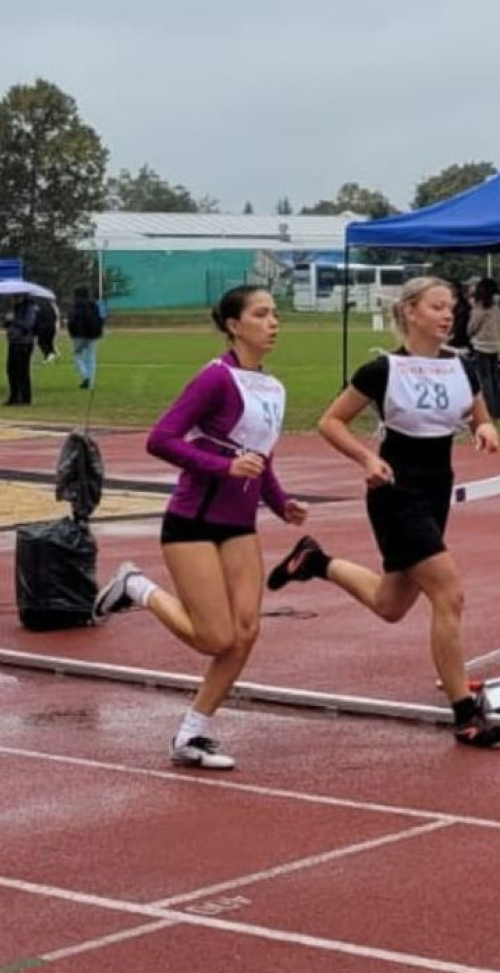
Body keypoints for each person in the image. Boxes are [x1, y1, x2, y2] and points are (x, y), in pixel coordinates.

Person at [266, 276, 500, 750]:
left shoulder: (463, 368)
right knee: (449, 592)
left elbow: (481, 416)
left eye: (451, 308)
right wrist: (366, 458)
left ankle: (315, 561)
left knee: (391, 605)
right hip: (395, 492)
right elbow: (330, 421)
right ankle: (465, 714)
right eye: (437, 307)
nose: (447, 315)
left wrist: (487, 430)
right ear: (410, 312)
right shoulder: (382, 369)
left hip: (437, 489)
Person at [93, 285, 308, 770]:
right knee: (216, 639)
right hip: (192, 522)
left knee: (246, 632)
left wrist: (280, 503)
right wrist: (222, 468)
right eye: (261, 314)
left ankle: (193, 732)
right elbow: (161, 440)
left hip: (240, 524)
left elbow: (261, 458)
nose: (273, 322)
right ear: (234, 325)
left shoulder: (272, 387)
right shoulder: (214, 379)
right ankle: (136, 586)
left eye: (275, 314)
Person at [467, 277, 500, 419]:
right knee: (494, 379)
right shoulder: (497, 307)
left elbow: (472, 327)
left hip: (481, 345)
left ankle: (488, 409)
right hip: (494, 345)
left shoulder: (481, 307)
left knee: (484, 379)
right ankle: (498, 409)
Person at [67, 286, 104, 389]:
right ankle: (91, 382)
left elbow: (72, 320)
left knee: (77, 355)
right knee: (91, 357)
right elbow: (100, 319)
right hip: (92, 334)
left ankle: (85, 375)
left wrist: (71, 332)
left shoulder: (75, 305)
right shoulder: (94, 305)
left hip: (78, 334)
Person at [4, 294, 39, 405]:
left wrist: (14, 320)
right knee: (11, 370)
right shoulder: (15, 309)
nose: (13, 299)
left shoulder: (29, 309)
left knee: (22, 371)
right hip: (13, 341)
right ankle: (14, 395)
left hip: (24, 342)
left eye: (15, 297)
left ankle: (25, 397)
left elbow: (28, 325)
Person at [35, 298, 59, 363]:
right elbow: (55, 317)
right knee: (49, 342)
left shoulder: (39, 310)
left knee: (41, 342)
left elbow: (37, 319)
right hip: (52, 327)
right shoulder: (51, 309)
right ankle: (50, 355)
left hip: (43, 328)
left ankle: (49, 354)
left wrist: (36, 329)